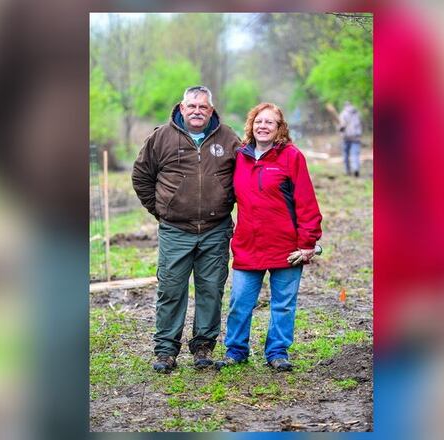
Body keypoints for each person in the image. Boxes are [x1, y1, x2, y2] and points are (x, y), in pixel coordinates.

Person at [131, 86, 241, 373]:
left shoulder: (228, 138)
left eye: (203, 107)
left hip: (216, 229)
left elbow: (243, 178)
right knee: (171, 289)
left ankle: (203, 347)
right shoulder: (161, 138)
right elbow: (141, 176)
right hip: (175, 230)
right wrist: (161, 209)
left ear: (211, 110)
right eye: (192, 106)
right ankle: (166, 350)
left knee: (211, 290)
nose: (197, 111)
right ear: (182, 107)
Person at [216, 102, 323, 372]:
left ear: (279, 129)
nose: (263, 126)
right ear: (251, 126)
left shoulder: (291, 157)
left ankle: (277, 352)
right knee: (240, 302)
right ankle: (236, 350)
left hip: (286, 247)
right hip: (248, 244)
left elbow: (306, 202)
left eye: (270, 123)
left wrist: (307, 242)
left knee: (283, 304)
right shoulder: (239, 156)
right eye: (258, 122)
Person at [338, 101, 364, 177]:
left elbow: (342, 125)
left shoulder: (343, 114)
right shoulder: (357, 113)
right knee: (355, 154)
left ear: (344, 106)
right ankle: (356, 168)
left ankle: (347, 170)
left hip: (346, 137)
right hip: (356, 137)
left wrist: (340, 129)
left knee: (346, 155)